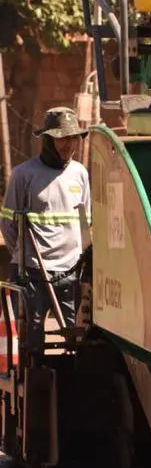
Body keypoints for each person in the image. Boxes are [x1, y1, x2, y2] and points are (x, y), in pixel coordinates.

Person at [0, 107, 90, 356]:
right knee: (33, 335)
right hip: (33, 272)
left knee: (72, 334)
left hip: (69, 271)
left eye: (73, 138)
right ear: (48, 140)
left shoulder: (80, 174)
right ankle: (33, 377)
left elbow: (85, 223)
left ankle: (68, 384)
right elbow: (8, 224)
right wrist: (24, 256)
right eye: (62, 138)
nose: (69, 145)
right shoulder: (23, 175)